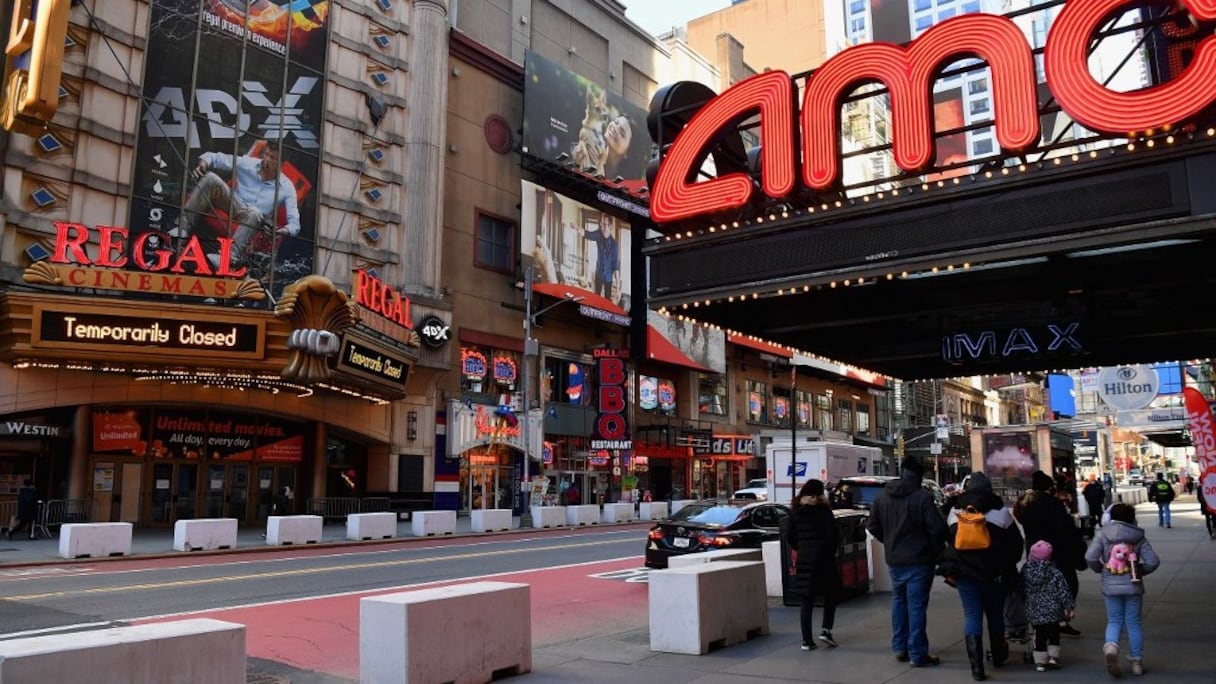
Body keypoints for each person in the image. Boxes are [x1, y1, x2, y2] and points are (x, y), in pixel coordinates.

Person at [937, 472, 1023, 681]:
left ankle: (976, 667)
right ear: (989, 489)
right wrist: (1007, 566)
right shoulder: (1001, 513)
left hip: (965, 575)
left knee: (972, 615)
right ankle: (998, 655)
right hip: (995, 575)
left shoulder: (956, 512)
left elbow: (948, 540)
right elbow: (1016, 545)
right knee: (995, 615)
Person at [867, 457, 948, 667]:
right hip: (919, 560)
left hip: (894, 560)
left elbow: (873, 526)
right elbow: (937, 529)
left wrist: (889, 541)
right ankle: (918, 653)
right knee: (917, 606)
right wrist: (935, 550)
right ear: (919, 477)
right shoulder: (922, 498)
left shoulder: (882, 497)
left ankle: (900, 647)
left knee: (899, 602)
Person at [173, 141, 301, 271]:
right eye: (266, 154)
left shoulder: (287, 187)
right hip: (234, 204)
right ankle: (181, 229)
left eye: (272, 157)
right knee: (211, 178)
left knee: (255, 212)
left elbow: (295, 224)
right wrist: (204, 163)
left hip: (254, 219)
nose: (266, 159)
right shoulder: (248, 163)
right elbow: (217, 157)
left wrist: (285, 230)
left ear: (281, 163)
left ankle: (228, 257)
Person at [1085, 502, 1160, 677]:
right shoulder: (1138, 536)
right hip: (1133, 585)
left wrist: (1100, 569)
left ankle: (1111, 646)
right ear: (1132, 518)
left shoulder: (1103, 534)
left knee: (1114, 619)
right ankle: (1137, 662)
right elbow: (1153, 561)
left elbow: (1090, 556)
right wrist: (1140, 571)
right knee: (1133, 623)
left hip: (1111, 586)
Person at [1014, 470, 1085, 637]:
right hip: (1057, 551)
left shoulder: (1025, 505)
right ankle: (1061, 618)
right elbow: (1066, 526)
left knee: (1037, 588)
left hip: (1035, 552)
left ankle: (1042, 620)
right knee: (1068, 584)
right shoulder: (1053, 504)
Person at [785, 479, 842, 651]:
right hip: (824, 558)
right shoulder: (824, 510)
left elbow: (790, 536)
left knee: (806, 599)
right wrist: (830, 551)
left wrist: (802, 548)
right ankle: (826, 629)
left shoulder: (796, 512)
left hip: (804, 559)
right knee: (831, 593)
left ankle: (806, 641)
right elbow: (834, 535)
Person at [1022, 540, 1076, 672]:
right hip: (1053, 610)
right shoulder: (1055, 573)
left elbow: (1021, 588)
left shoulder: (1026, 572)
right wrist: (1069, 607)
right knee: (1054, 633)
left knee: (1039, 634)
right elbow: (1064, 591)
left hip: (1034, 610)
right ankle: (1053, 657)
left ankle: (1040, 661)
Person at [582, 217, 621, 305]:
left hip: (608, 277)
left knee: (607, 301)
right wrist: (577, 228)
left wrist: (618, 289)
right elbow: (587, 234)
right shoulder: (598, 234)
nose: (602, 227)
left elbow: (616, 266)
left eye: (604, 224)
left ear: (610, 226)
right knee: (596, 298)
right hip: (599, 272)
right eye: (601, 224)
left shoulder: (614, 245)